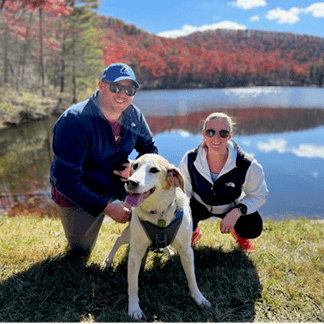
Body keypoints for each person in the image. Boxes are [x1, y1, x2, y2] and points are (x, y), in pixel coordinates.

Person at [50, 62, 158, 256]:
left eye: (129, 90)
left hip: (118, 182)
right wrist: (107, 208)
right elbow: (63, 179)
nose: (122, 94)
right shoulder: (74, 122)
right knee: (80, 252)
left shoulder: (134, 115)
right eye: (116, 87)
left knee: (158, 199)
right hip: (80, 191)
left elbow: (150, 150)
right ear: (100, 86)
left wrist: (134, 169)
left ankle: (153, 238)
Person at [179, 112, 268, 252]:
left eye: (223, 133)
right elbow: (183, 192)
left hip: (230, 206)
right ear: (204, 134)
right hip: (199, 203)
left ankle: (241, 236)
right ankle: (193, 232)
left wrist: (238, 211)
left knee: (253, 227)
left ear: (230, 135)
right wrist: (184, 219)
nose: (216, 137)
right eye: (210, 132)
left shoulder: (247, 164)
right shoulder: (190, 159)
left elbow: (258, 195)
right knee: (176, 216)